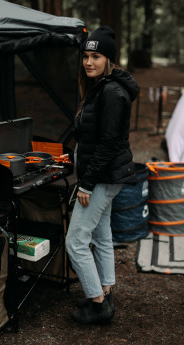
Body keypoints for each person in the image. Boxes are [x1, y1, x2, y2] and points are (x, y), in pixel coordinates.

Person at [65, 26, 139, 325]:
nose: (88, 62)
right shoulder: (103, 87)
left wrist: (85, 182)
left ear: (109, 59)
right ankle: (105, 290)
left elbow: (108, 143)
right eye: (85, 56)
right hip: (106, 177)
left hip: (102, 178)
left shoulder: (111, 92)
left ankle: (98, 304)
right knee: (101, 234)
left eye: (96, 56)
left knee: (75, 240)